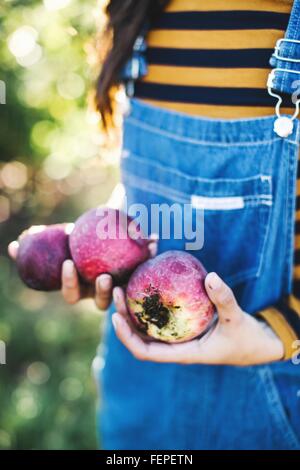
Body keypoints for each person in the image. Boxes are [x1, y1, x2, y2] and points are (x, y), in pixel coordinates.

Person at [9, 0, 300, 450]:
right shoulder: (139, 10)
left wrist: (277, 333)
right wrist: (106, 247)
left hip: (271, 394)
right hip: (140, 385)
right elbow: (155, 185)